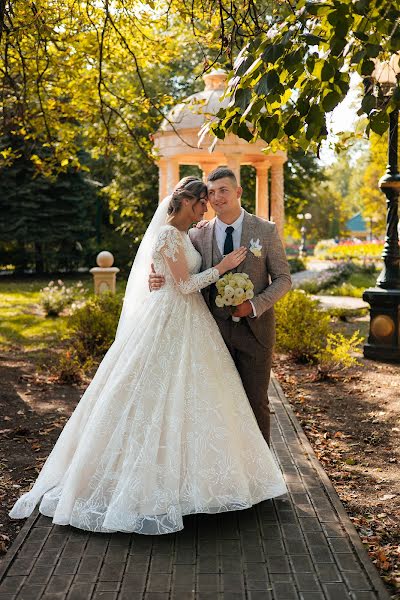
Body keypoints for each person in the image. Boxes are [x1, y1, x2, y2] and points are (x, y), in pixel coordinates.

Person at [9, 178, 287, 535]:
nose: (207, 208)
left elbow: (173, 273)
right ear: (189, 201)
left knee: (204, 400)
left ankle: (217, 482)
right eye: (203, 201)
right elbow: (184, 284)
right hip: (172, 320)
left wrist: (164, 276)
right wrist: (223, 266)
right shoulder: (170, 235)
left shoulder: (189, 233)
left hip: (194, 322)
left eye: (213, 199)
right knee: (156, 396)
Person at [150, 168, 292, 446]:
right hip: (210, 332)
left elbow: (284, 279)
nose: (216, 198)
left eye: (223, 191)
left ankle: (260, 474)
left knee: (255, 402)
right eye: (211, 193)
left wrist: (253, 305)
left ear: (238, 192)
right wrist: (154, 274)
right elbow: (175, 261)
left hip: (255, 332)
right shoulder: (197, 233)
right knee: (218, 405)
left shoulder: (265, 230)